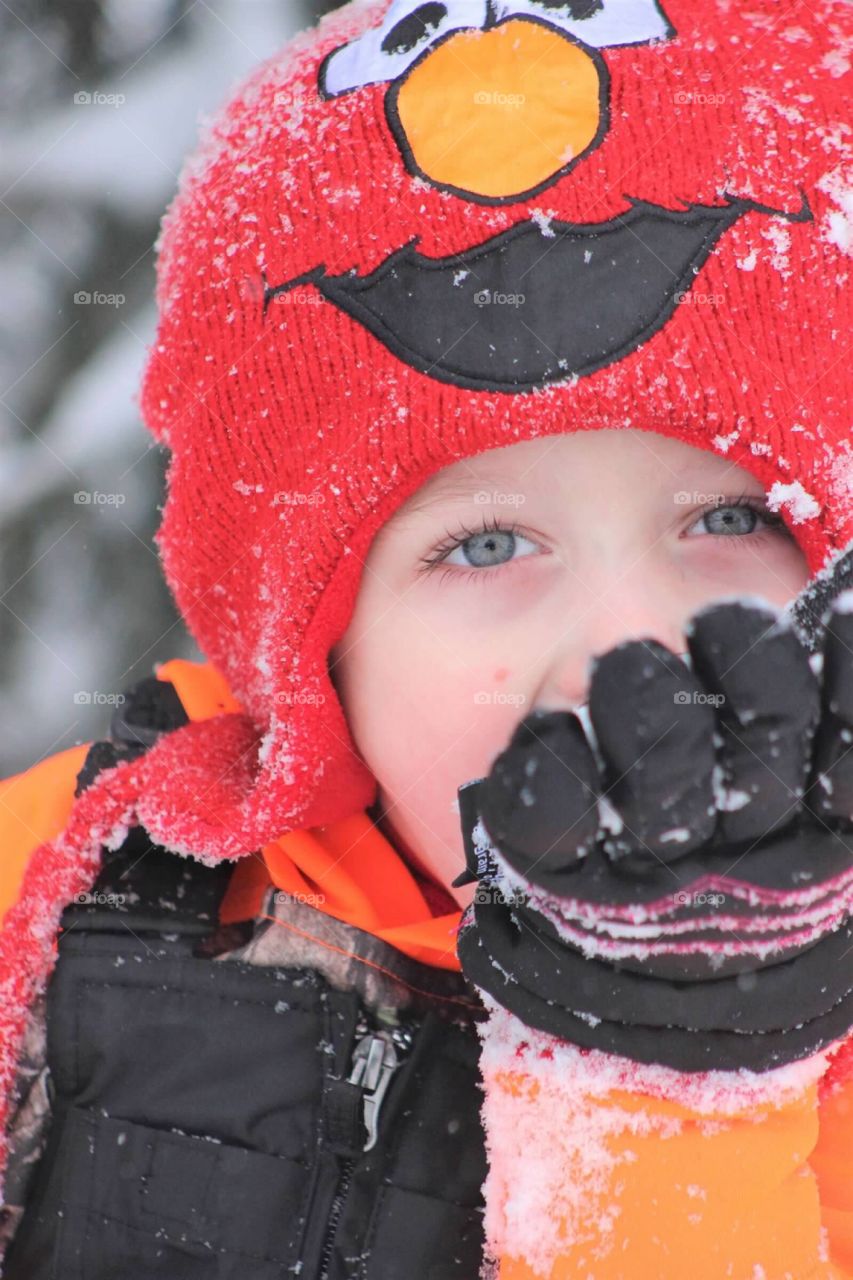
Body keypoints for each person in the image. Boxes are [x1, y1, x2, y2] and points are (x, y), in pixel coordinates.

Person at [0, 0, 851, 1275]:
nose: (630, 644)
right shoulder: (63, 889)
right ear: (317, 658)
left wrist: (668, 1084)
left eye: (730, 515)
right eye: (489, 544)